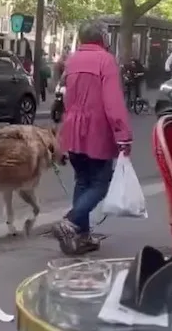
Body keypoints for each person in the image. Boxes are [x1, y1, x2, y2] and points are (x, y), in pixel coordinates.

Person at [53, 19, 132, 255]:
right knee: (100, 183)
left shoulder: (73, 60)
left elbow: (65, 97)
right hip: (97, 129)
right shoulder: (106, 61)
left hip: (73, 128)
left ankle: (82, 237)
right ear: (102, 38)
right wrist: (123, 135)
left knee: (82, 180)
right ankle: (71, 220)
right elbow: (113, 103)